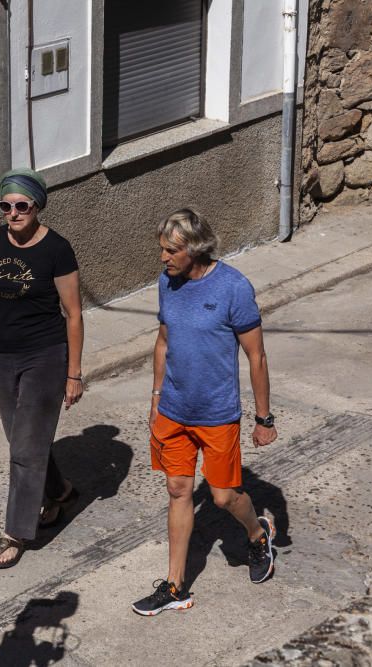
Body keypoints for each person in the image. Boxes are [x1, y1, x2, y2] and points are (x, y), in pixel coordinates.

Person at [132, 209, 280, 617]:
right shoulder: (168, 283)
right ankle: (175, 585)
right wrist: (156, 395)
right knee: (178, 490)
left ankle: (256, 532)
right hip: (174, 410)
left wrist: (263, 419)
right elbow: (163, 341)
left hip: (217, 414)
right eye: (162, 249)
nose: (163, 258)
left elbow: (256, 355)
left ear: (195, 248)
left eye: (171, 250)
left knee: (222, 495)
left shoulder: (233, 287)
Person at [0, 167, 84, 569]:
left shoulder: (57, 249)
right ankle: (61, 492)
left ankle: (15, 531)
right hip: (2, 354)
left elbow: (73, 313)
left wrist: (74, 372)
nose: (12, 214)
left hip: (45, 356)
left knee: (26, 448)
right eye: (6, 206)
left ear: (37, 206)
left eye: (21, 206)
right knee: (24, 439)